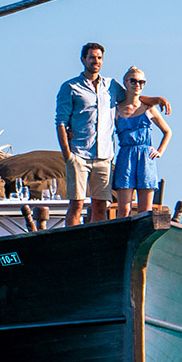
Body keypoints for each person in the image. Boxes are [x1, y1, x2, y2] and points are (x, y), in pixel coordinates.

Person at [54, 43, 170, 227]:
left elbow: (133, 97)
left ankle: (98, 244)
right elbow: (60, 122)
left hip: (104, 156)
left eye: (99, 58)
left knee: (100, 205)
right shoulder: (70, 87)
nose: (96, 61)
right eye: (92, 57)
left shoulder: (111, 86)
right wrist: (68, 154)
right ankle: (73, 243)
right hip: (79, 154)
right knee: (76, 204)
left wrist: (158, 100)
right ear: (83, 59)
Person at [111, 66, 171, 217]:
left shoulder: (148, 108)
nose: (137, 85)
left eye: (141, 82)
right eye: (134, 81)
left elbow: (167, 131)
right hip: (125, 156)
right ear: (126, 82)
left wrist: (159, 151)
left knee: (145, 210)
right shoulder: (116, 110)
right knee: (124, 209)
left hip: (146, 157)